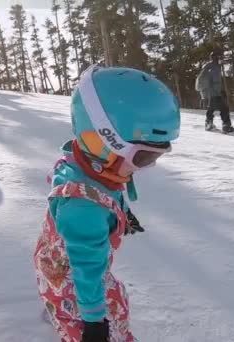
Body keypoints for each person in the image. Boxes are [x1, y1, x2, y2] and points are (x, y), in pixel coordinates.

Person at [34, 65, 180, 342]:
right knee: (111, 322)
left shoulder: (82, 162)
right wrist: (94, 323)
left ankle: (56, 307)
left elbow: (106, 189)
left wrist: (122, 212)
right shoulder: (84, 209)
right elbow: (87, 269)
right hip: (78, 286)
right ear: (102, 140)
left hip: (51, 262)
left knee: (59, 292)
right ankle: (69, 317)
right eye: (144, 158)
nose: (144, 168)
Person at [196, 50, 234, 133]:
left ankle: (209, 123)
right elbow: (215, 81)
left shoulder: (207, 67)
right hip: (213, 93)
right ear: (216, 58)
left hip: (206, 93)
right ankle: (226, 126)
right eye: (218, 57)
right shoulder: (214, 67)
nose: (220, 59)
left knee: (211, 108)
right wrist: (220, 91)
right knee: (224, 108)